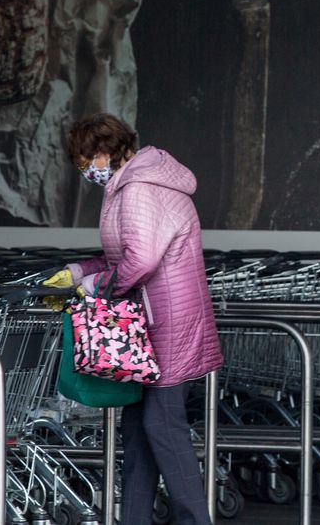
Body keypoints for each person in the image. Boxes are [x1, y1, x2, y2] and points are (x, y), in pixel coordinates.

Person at [61, 112, 223, 525]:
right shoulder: (126, 187)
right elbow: (122, 255)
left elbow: (143, 259)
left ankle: (195, 520)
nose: (83, 169)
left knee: (162, 427)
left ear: (104, 151)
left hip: (169, 323)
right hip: (150, 326)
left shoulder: (138, 189)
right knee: (139, 433)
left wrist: (96, 286)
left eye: (84, 160)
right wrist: (78, 272)